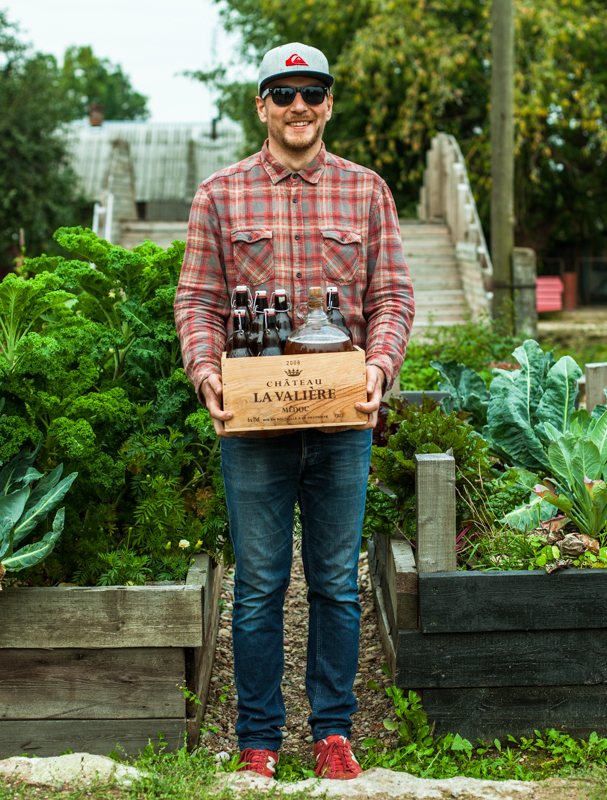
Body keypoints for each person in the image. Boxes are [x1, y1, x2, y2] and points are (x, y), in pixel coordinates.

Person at [173, 41, 415, 780]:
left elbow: (394, 299)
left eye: (312, 93)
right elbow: (199, 301)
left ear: (330, 104)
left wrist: (379, 366)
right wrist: (205, 369)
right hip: (255, 425)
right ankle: (258, 739)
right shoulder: (220, 195)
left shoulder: (367, 191)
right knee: (259, 584)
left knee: (337, 582)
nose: (298, 106)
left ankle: (333, 731)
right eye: (284, 94)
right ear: (262, 106)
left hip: (343, 424)